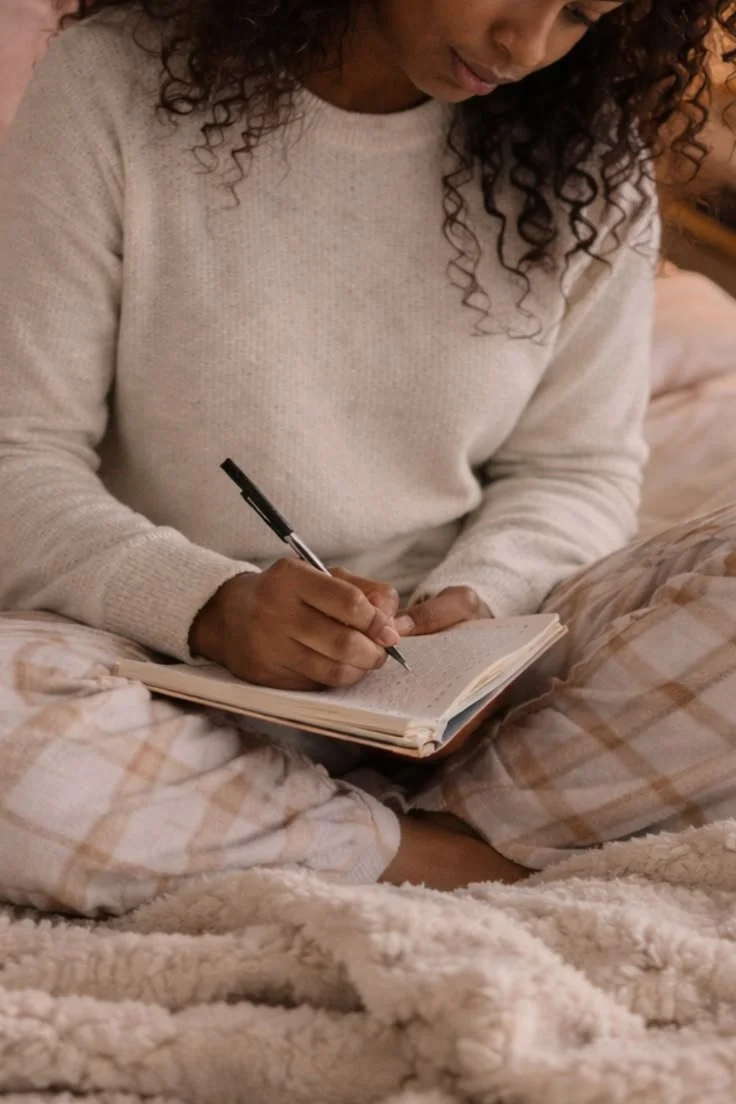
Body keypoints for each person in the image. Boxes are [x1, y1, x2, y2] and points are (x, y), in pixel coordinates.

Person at [0, 0, 734, 916]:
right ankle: (432, 849)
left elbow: (577, 472)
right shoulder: (113, 85)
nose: (527, 46)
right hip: (167, 672)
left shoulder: (591, 155)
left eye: (580, 16)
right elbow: (18, 458)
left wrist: (483, 605)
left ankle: (305, 826)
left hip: (479, 690)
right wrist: (213, 608)